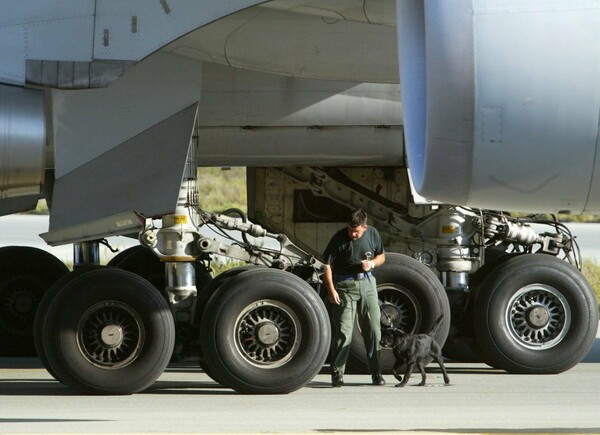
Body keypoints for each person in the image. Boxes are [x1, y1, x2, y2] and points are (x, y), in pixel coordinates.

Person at [322, 208, 386, 387]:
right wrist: (331, 290)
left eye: (356, 231)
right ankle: (337, 373)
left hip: (367, 284)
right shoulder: (339, 238)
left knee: (373, 329)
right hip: (344, 286)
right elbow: (326, 265)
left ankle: (377, 373)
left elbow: (381, 256)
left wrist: (372, 263)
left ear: (365, 227)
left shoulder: (373, 234)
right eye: (350, 230)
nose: (353, 234)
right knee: (344, 331)